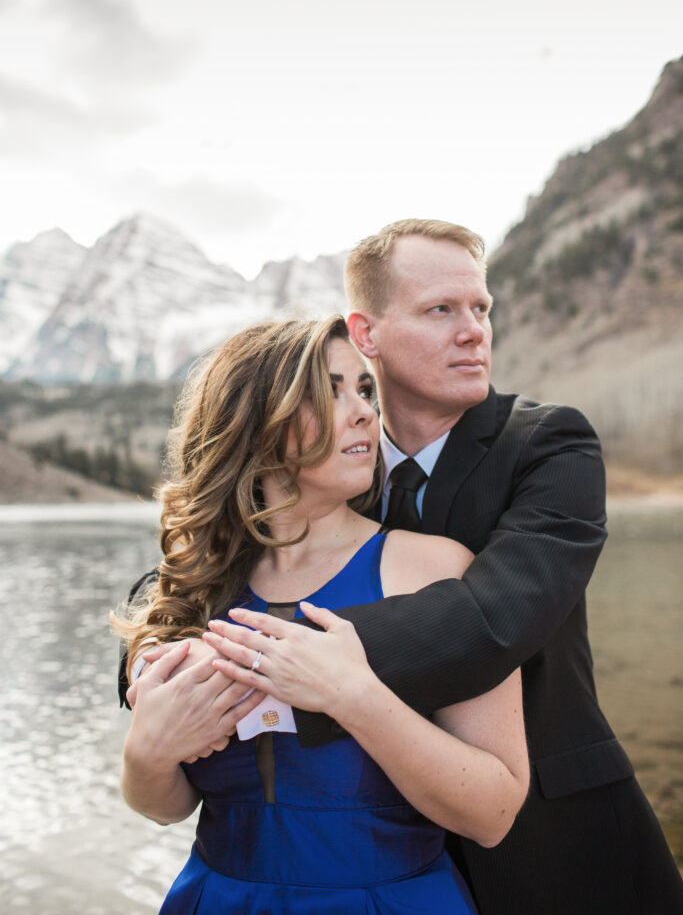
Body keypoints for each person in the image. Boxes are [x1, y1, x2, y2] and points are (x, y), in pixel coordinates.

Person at [224, 217, 678, 915]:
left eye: (480, 309)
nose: (474, 331)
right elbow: (219, 566)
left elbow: (495, 618)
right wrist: (161, 657)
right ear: (366, 332)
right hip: (381, 851)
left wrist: (280, 664)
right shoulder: (328, 464)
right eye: (440, 310)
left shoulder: (550, 445)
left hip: (556, 844)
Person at [113, 315, 529, 914]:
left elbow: (493, 812)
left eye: (363, 389)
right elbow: (167, 806)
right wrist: (145, 755)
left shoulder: (434, 572)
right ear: (255, 423)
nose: (364, 411)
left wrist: (355, 697)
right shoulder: (196, 590)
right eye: (328, 392)